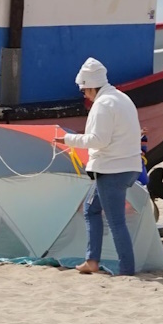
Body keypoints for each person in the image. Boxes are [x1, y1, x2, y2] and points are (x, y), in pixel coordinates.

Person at [60, 57, 143, 276]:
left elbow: (98, 140)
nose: (84, 95)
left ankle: (127, 269)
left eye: (84, 90)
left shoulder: (103, 105)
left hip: (112, 169)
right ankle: (92, 260)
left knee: (116, 221)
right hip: (128, 166)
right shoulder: (121, 98)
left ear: (91, 86)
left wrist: (67, 139)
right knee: (91, 209)